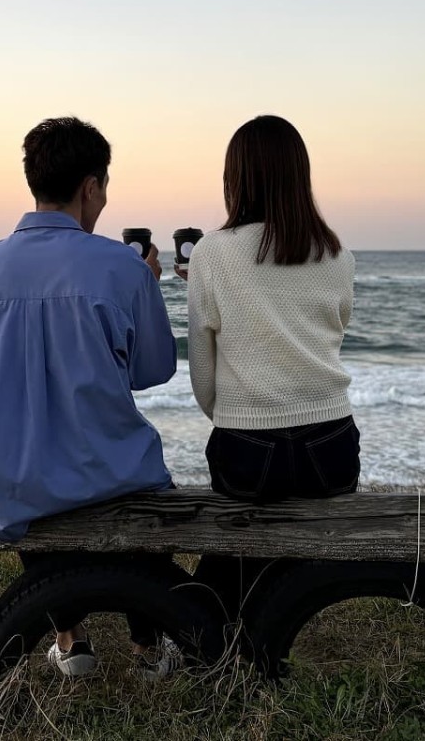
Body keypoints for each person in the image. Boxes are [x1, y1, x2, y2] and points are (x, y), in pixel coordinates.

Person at [0, 116, 180, 677]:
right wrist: (145, 286)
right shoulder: (121, 266)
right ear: (91, 187)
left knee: (24, 462)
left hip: (10, 477)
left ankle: (72, 639)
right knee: (139, 478)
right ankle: (148, 649)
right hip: (108, 470)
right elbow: (152, 371)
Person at [180, 114, 360, 616]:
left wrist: (233, 414)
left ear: (235, 178)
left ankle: (206, 635)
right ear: (299, 175)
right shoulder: (338, 254)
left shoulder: (212, 254)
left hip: (248, 445)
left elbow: (201, 374)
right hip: (331, 443)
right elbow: (329, 333)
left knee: (232, 554)